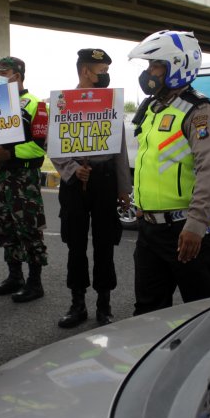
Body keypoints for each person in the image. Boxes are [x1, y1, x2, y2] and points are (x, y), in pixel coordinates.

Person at [128, 30, 210, 315]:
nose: (149, 73)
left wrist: (196, 223)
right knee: (147, 311)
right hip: (150, 229)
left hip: (185, 228)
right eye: (148, 66)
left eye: (155, 65)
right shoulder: (151, 108)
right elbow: (151, 161)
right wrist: (141, 204)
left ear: (178, 66)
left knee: (201, 309)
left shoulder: (201, 112)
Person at [50, 48, 131, 328]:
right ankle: (77, 303)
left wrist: (124, 189)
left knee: (105, 242)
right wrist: (73, 169)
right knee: (75, 243)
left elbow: (120, 149)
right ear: (85, 72)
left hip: (105, 180)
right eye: (102, 72)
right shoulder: (62, 103)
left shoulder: (111, 103)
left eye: (107, 71)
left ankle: (104, 303)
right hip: (75, 183)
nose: (106, 77)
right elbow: (56, 146)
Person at [0, 56, 48, 303]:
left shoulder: (35, 105)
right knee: (6, 230)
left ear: (17, 76)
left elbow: (40, 148)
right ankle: (14, 276)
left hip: (24, 179)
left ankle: (35, 282)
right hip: (2, 179)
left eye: (3, 72)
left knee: (28, 230)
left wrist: (12, 153)